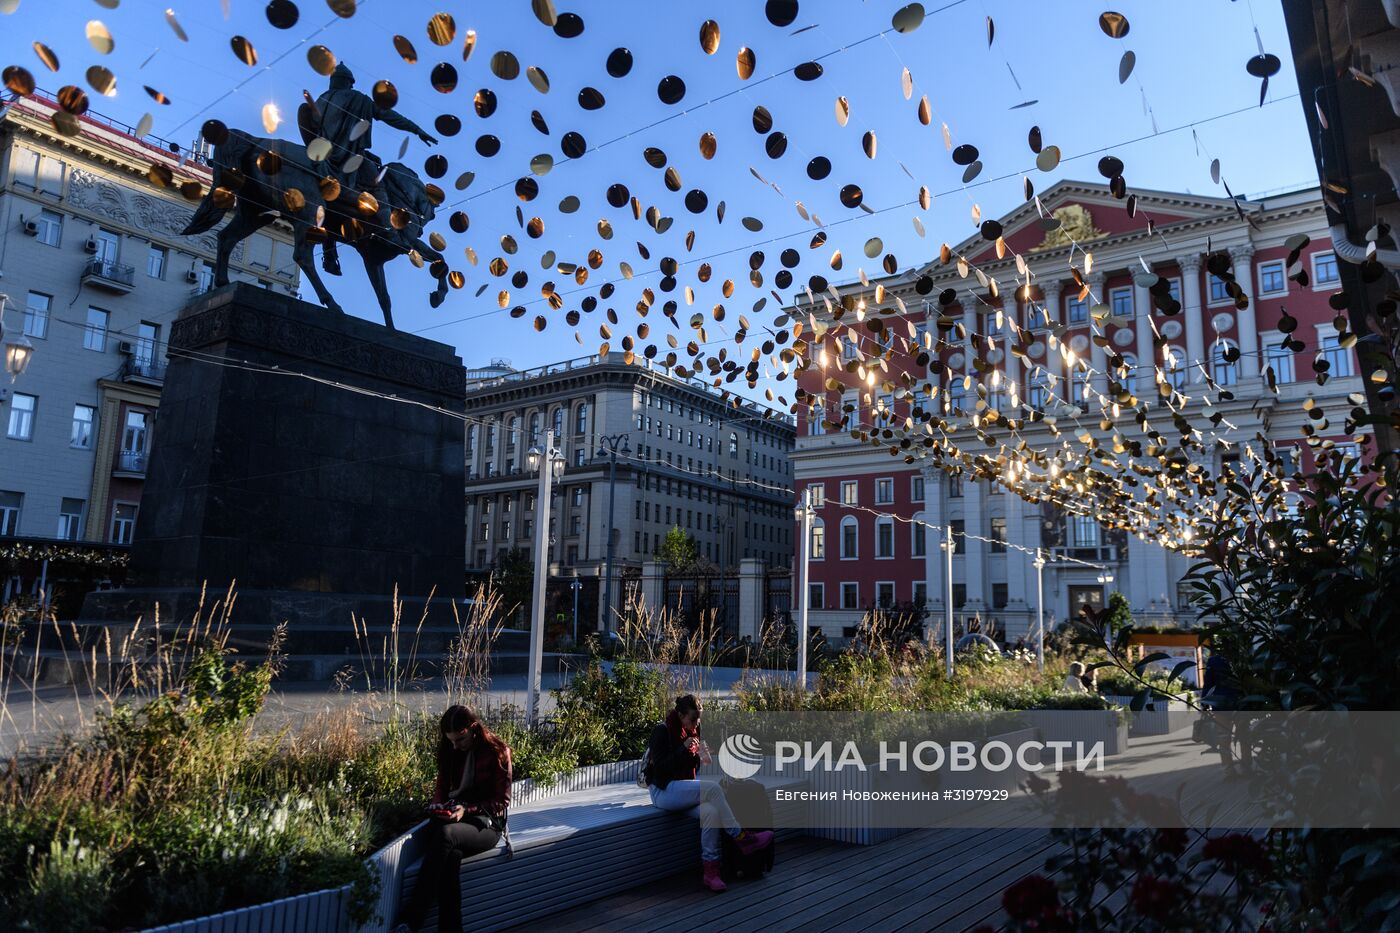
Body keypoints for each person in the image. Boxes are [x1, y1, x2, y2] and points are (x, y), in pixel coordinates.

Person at [308, 63, 438, 275]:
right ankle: (390, 232)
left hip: (322, 158)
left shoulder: (321, 100)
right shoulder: (358, 99)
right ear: (349, 83)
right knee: (377, 187)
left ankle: (329, 251)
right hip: (349, 159)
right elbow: (388, 116)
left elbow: (311, 130)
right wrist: (416, 130)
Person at [392, 706, 511, 933]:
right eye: (451, 741)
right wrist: (437, 804)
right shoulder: (450, 750)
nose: (456, 745)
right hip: (454, 818)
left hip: (486, 824)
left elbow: (501, 802)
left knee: (445, 836)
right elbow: (442, 787)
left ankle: (411, 920)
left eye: (461, 739)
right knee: (450, 857)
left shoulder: (497, 751)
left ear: (473, 729)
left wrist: (467, 809)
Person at [645, 694, 773, 892]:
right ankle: (742, 838)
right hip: (663, 791)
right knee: (712, 788)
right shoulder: (662, 731)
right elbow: (660, 769)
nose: (696, 723)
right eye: (692, 719)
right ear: (680, 715)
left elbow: (693, 766)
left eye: (699, 719)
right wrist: (683, 750)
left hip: (683, 789)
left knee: (710, 813)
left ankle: (710, 872)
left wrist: (699, 756)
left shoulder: (693, 731)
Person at [1202, 652, 1252, 779]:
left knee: (1224, 739)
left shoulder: (1214, 660)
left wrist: (1204, 702)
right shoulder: (1242, 657)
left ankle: (1228, 770)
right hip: (1240, 703)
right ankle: (1246, 768)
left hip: (1220, 704)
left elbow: (1208, 682)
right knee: (1244, 736)